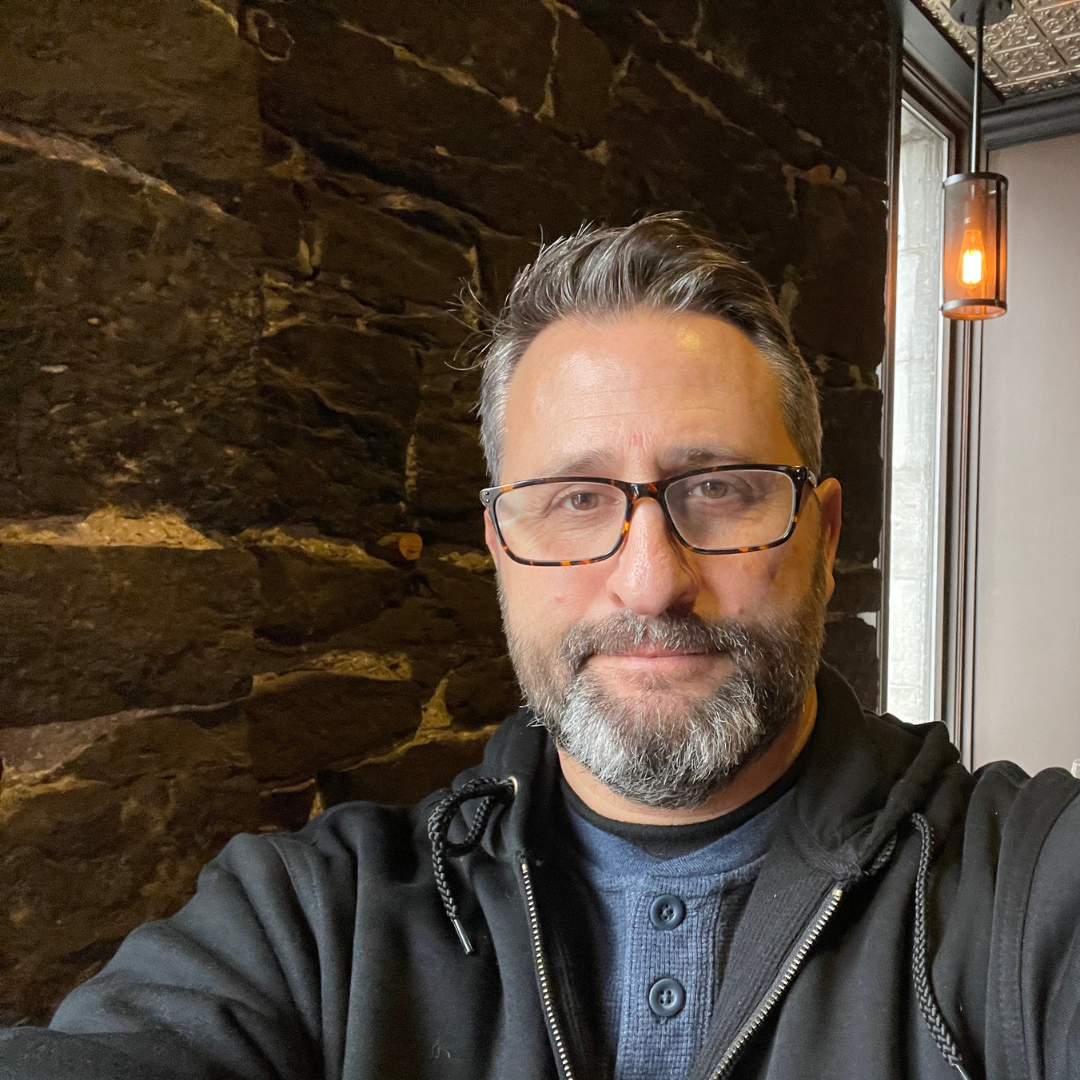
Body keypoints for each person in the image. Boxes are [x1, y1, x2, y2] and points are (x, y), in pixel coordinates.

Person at [2, 213, 1078, 1080]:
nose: (652, 578)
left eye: (719, 490)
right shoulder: (314, 928)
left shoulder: (1029, 892)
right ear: (501, 546)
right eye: (574, 499)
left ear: (825, 537)